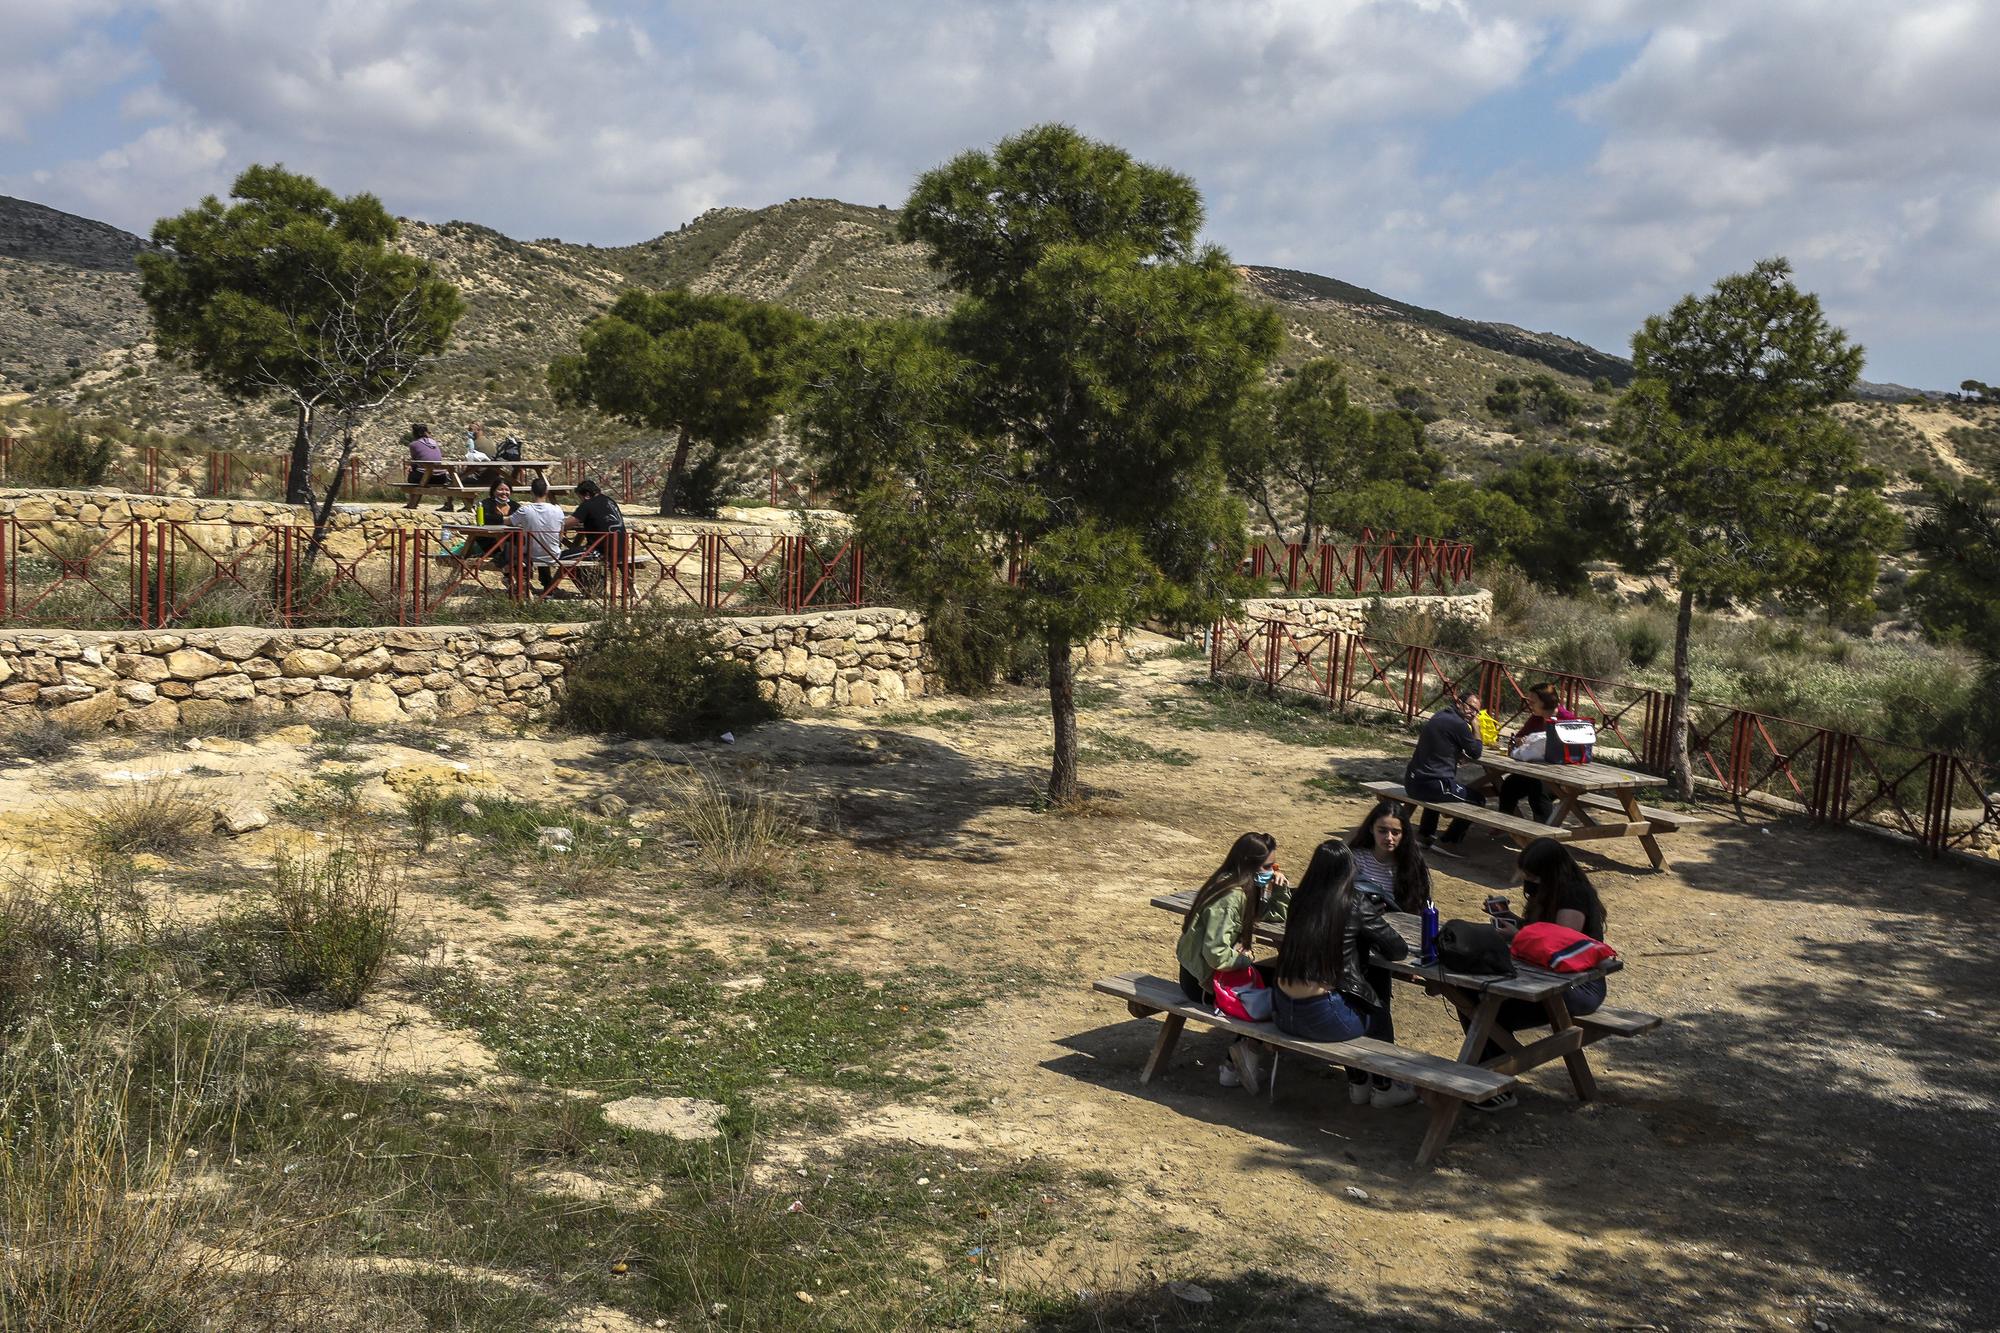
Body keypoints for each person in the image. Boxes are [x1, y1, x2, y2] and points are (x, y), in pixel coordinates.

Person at [1459, 837, 1611, 1112]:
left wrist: (1517, 935)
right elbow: (1539, 932)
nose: (1527, 879)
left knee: (1488, 1008)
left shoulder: (1574, 895)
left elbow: (1562, 947)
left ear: (1550, 871)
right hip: (1543, 978)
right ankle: (1491, 1081)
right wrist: (1510, 919)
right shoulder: (1545, 888)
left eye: (1532, 874)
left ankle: (1494, 1081)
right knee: (1469, 999)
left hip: (1579, 987)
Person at [1270, 839, 1416, 1108]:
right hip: (1324, 1018)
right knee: (1375, 993)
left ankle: (1359, 1083)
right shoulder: (1355, 902)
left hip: (1283, 1012)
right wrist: (1371, 921)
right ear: (1349, 871)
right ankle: (1385, 1086)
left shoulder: (1298, 899)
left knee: (1354, 991)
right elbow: (1397, 949)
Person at [1177, 831, 1280, 1094]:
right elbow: (1216, 955)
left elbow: (1268, 917)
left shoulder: (1231, 882)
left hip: (1201, 974)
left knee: (1272, 978)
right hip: (1203, 983)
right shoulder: (1231, 896)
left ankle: (1235, 1062)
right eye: (1268, 867)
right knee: (1277, 986)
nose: (1271, 871)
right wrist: (1245, 959)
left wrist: (1278, 891)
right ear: (1249, 864)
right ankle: (1241, 1055)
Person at [1404, 689, 1485, 855]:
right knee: (1478, 800)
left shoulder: (1440, 715)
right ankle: (1448, 841)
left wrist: (1455, 754)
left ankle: (1425, 835)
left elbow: (1442, 745)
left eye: (1477, 711)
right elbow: (1476, 751)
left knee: (1440, 791)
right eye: (1471, 708)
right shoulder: (1459, 724)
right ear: (1459, 703)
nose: (1473, 714)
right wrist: (1476, 727)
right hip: (1431, 785)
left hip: (1412, 782)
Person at [1498, 683, 1578, 824]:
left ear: (1545, 701)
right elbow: (1519, 737)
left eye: (1533, 701)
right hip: (1538, 771)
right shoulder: (1536, 718)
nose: (1530, 704)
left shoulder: (1566, 719)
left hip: (1562, 775)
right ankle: (1504, 823)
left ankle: (1544, 834)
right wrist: (1520, 741)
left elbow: (1576, 749)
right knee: (1510, 784)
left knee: (1539, 792)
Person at [507, 475, 566, 592]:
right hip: (553, 554)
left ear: (531, 492)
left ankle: (519, 583)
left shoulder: (525, 510)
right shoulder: (558, 510)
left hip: (531, 554)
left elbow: (509, 521)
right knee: (543, 542)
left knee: (510, 548)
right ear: (547, 492)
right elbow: (561, 534)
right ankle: (548, 586)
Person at [405, 422, 451, 510]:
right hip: (441, 476)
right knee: (424, 473)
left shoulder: (413, 445)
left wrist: (412, 467)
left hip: (427, 476)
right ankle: (449, 504)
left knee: (413, 476)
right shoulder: (434, 442)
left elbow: (415, 461)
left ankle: (412, 503)